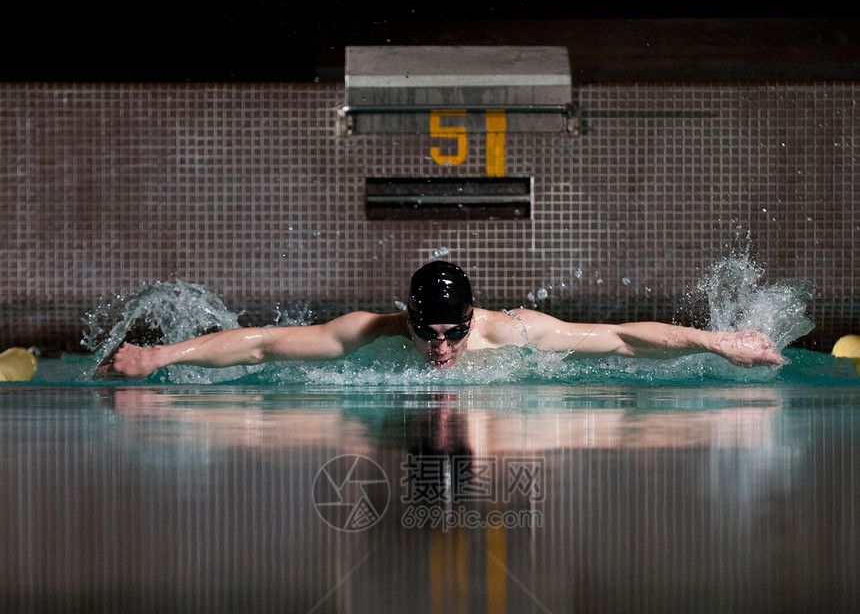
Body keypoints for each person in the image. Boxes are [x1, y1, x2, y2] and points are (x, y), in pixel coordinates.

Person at [95, 260, 786, 378]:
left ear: (472, 319)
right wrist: (160, 358)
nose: (441, 348)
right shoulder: (373, 331)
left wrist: (717, 341)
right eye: (428, 333)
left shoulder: (512, 330)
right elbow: (264, 345)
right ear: (410, 319)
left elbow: (623, 338)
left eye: (453, 334)